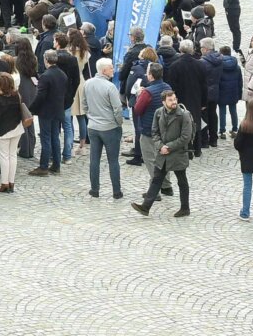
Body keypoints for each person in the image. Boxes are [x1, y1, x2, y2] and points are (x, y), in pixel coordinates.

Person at [132, 87, 192, 217]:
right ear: (164, 102)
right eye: (170, 100)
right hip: (163, 154)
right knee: (157, 179)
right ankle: (145, 207)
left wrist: (168, 147)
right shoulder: (158, 113)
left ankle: (185, 208)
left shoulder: (183, 115)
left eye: (174, 99)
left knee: (182, 180)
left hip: (177, 154)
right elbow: (154, 132)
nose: (173, 102)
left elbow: (185, 137)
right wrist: (160, 146)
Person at [82, 57, 123, 199]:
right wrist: (118, 122)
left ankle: (94, 189)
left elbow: (84, 104)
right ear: (104, 70)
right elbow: (117, 108)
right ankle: (116, 191)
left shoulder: (87, 83)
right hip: (110, 127)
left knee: (94, 159)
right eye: (111, 67)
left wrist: (91, 117)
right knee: (113, 160)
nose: (113, 69)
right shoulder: (110, 87)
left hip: (93, 127)